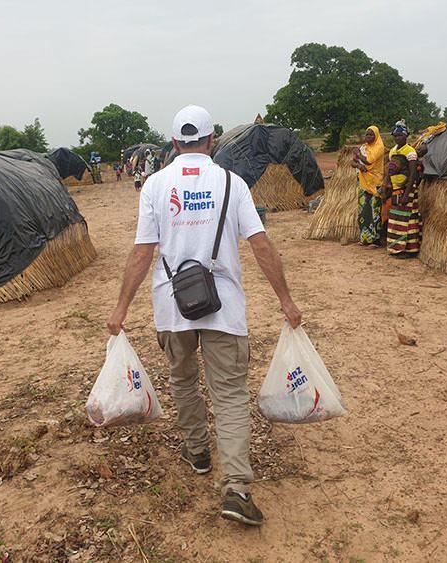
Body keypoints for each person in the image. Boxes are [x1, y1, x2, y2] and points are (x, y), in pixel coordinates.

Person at [107, 105, 302, 527]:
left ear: (174, 143)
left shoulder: (155, 185)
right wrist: (286, 300)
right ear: (212, 141)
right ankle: (236, 489)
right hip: (224, 308)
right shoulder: (232, 183)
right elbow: (260, 244)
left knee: (182, 380)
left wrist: (121, 308)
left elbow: (142, 252)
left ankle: (197, 452)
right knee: (229, 394)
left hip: (171, 305)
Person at [384, 121, 420, 256]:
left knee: (408, 219)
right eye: (396, 135)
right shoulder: (393, 151)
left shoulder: (410, 152)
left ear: (406, 136)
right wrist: (388, 184)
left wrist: (406, 194)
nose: (398, 138)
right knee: (396, 219)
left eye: (400, 135)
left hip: (406, 189)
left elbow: (413, 174)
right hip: (395, 189)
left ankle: (409, 249)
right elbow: (390, 171)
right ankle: (396, 248)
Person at [350, 126, 385, 247]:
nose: (368, 137)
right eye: (367, 134)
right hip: (363, 182)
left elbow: (369, 160)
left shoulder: (379, 147)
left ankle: (375, 240)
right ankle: (364, 238)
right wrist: (358, 165)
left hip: (375, 182)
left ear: (376, 136)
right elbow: (352, 162)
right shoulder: (363, 147)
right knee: (363, 211)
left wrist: (358, 154)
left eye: (371, 135)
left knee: (375, 211)